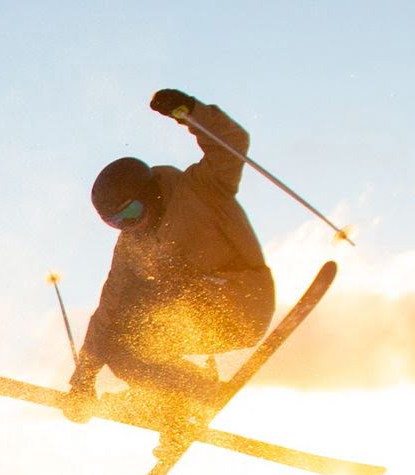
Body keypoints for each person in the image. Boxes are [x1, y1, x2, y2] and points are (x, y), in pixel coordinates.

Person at [62, 89, 276, 438]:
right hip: (199, 322)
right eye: (117, 222)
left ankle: (183, 396)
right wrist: (84, 378)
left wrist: (190, 111)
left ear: (150, 192)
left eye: (132, 212)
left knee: (149, 291)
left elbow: (232, 142)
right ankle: (183, 400)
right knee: (120, 347)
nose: (130, 226)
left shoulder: (201, 188)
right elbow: (109, 308)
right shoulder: (132, 245)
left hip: (242, 299)